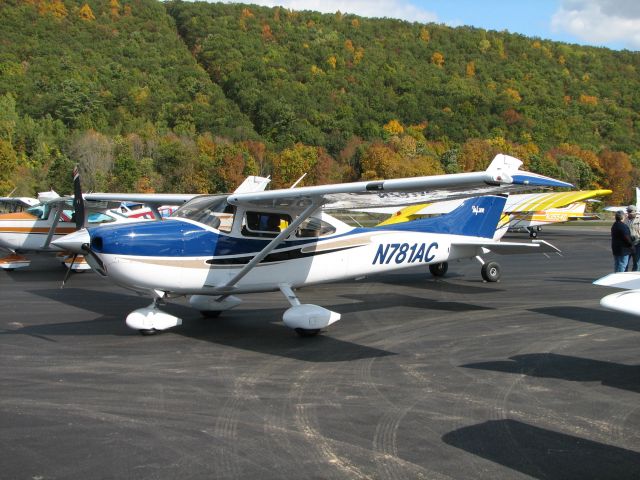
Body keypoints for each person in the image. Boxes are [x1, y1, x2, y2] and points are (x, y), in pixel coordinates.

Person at [624, 204, 640, 271]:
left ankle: (634, 276)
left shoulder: (639, 219)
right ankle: (624, 276)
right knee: (625, 262)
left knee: (636, 262)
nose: (627, 213)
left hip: (637, 244)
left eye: (629, 211)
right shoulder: (625, 219)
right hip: (627, 244)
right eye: (627, 211)